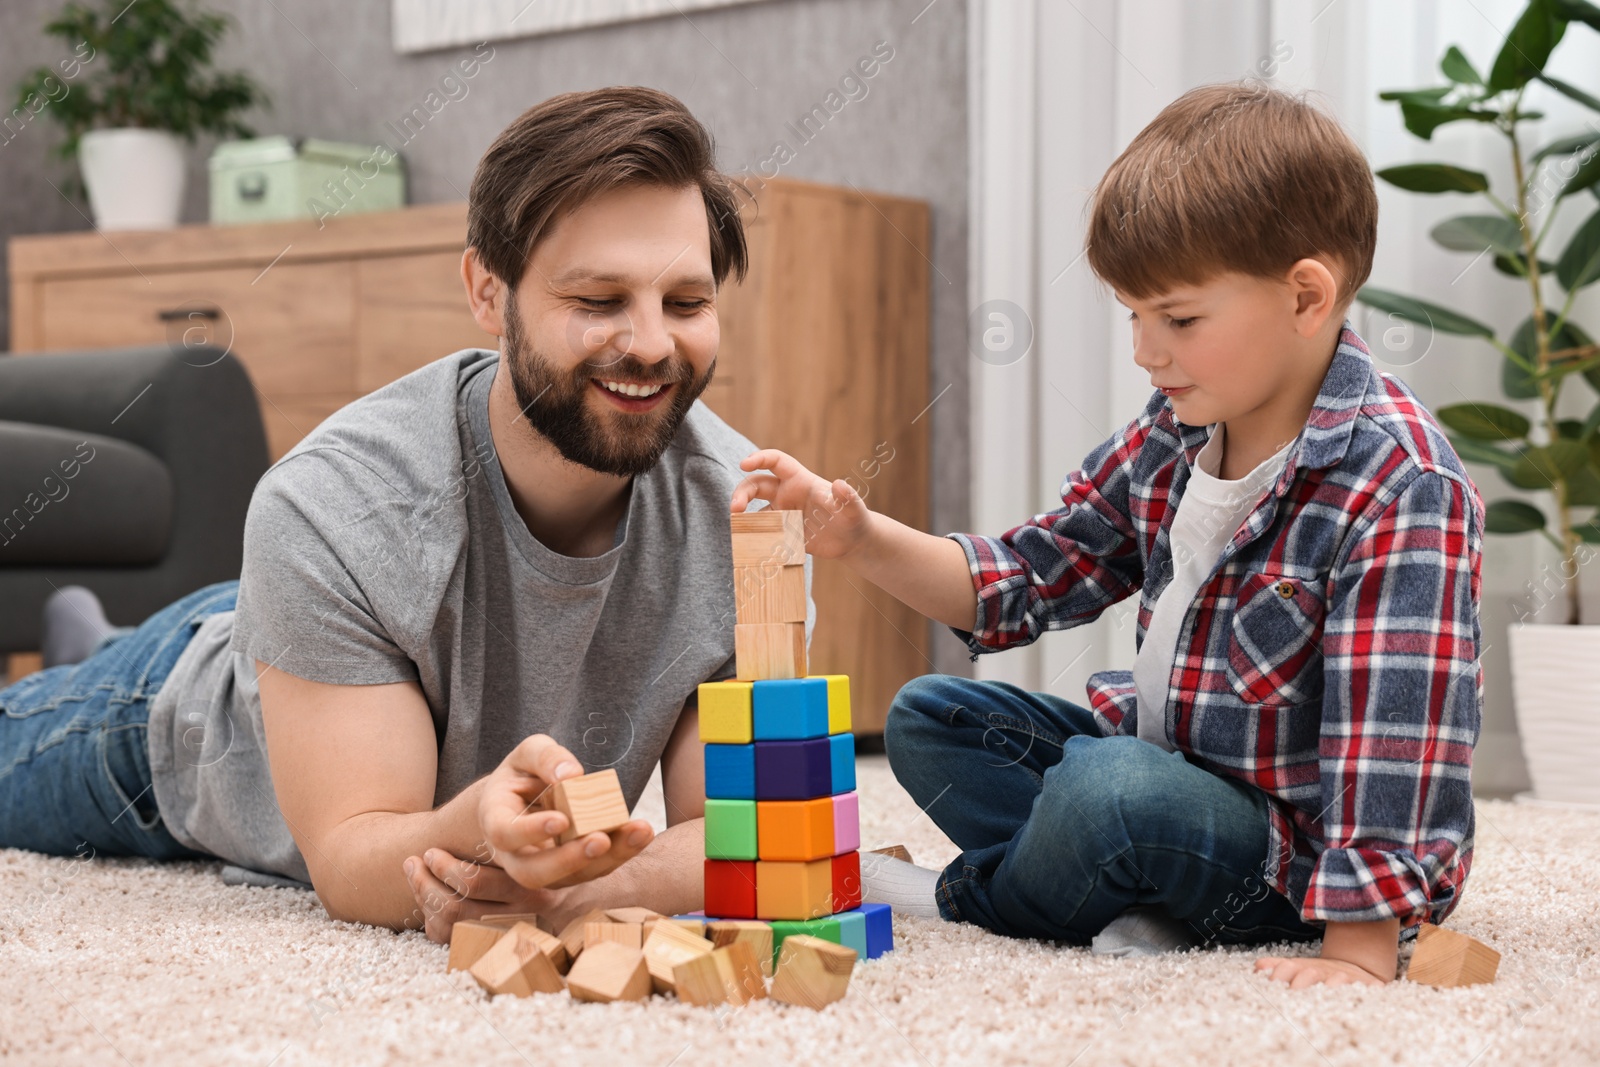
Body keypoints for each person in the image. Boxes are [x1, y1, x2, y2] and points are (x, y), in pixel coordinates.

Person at [733, 82, 1483, 989]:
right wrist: (857, 536)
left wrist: (1357, 955)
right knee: (929, 716)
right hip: (1166, 774)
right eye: (1134, 315)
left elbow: (1397, 738)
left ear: (1306, 296)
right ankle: (1121, 895)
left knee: (1110, 793)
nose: (1143, 349)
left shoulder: (1401, 484)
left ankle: (974, 897)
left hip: (1291, 863)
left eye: (1177, 319)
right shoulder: (1175, 430)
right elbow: (1029, 573)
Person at [0, 86, 787, 942]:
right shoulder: (336, 504)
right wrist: (468, 831)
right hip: (172, 729)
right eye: (598, 301)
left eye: (686, 303)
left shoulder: (749, 519)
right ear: (488, 291)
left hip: (307, 631)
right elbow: (352, 854)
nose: (650, 345)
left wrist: (586, 895)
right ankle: (110, 651)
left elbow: (741, 832)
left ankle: (100, 628)